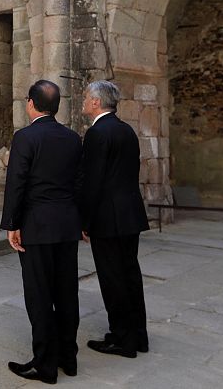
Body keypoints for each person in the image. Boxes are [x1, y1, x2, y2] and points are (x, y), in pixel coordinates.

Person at [1, 80, 83, 384]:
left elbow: (17, 183)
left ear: (31, 104)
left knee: (39, 295)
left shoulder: (25, 137)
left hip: (36, 225)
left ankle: (45, 365)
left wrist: (12, 224)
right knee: (66, 293)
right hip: (66, 225)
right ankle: (68, 358)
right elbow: (79, 183)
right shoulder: (73, 138)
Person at [79, 80, 149, 358]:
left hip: (108, 219)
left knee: (112, 279)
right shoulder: (126, 130)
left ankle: (122, 339)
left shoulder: (97, 133)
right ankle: (138, 336)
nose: (84, 101)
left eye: (86, 97)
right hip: (130, 215)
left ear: (96, 102)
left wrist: (84, 221)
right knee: (130, 276)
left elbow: (92, 182)